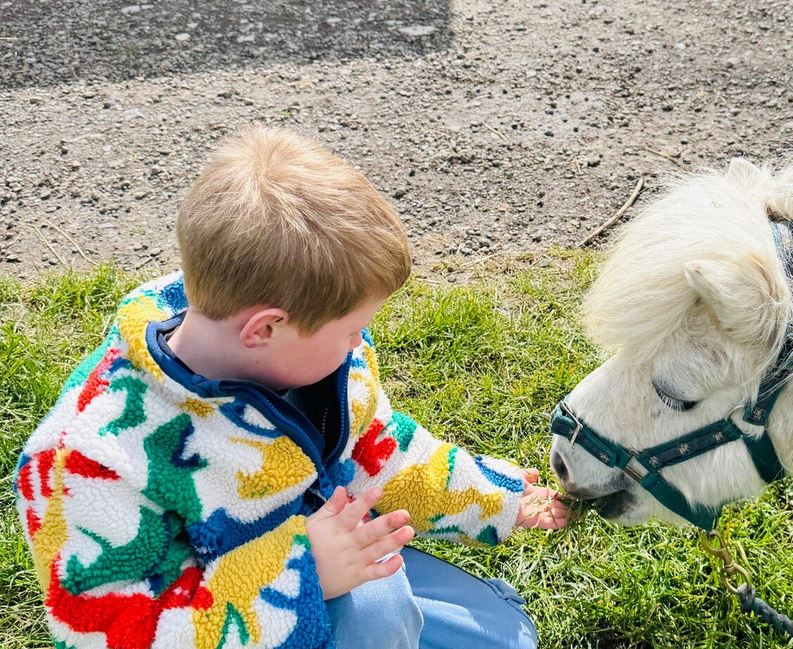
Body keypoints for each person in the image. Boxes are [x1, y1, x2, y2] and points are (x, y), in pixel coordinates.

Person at [15, 126, 569, 649]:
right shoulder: (91, 458)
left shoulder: (311, 354)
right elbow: (111, 629)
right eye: (351, 330)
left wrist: (498, 497)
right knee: (380, 608)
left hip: (317, 552)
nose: (359, 344)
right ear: (265, 328)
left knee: (505, 634)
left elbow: (382, 450)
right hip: (229, 614)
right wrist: (302, 575)